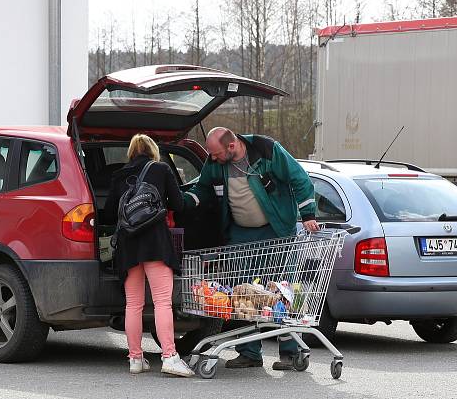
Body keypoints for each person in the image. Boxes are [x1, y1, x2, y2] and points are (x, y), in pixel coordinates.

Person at [184, 127, 318, 370]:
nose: (211, 159)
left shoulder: (266, 150)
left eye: (215, 154)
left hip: (275, 230)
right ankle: (249, 353)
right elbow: (202, 189)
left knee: (281, 292)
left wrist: (308, 213)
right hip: (240, 235)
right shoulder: (215, 163)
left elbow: (299, 179)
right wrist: (183, 201)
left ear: (231, 146)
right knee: (242, 293)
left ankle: (290, 352)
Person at [103, 134, 194, 377]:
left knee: (133, 304)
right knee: (162, 302)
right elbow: (178, 203)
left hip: (128, 244)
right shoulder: (161, 169)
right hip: (155, 242)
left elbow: (110, 211)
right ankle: (169, 356)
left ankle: (135, 359)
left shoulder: (119, 175)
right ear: (152, 151)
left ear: (131, 152)